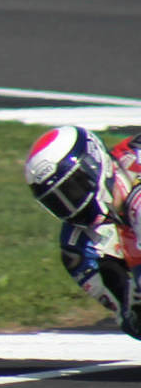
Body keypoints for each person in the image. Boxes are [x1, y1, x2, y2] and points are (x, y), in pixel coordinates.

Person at [23, 125, 141, 339]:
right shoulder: (80, 246)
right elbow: (133, 323)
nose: (71, 207)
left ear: (92, 164)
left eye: (71, 191)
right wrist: (131, 307)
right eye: (56, 202)